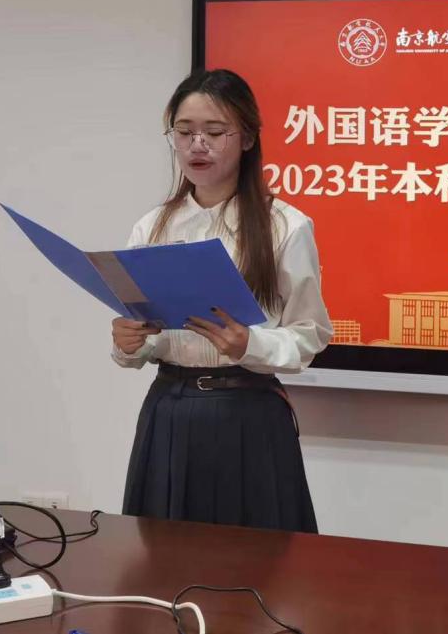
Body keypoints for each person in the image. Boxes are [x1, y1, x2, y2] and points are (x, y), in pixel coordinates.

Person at [110, 69, 332, 533]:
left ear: (247, 138)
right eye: (184, 132)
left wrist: (251, 344)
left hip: (248, 413)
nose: (198, 145)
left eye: (214, 132)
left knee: (254, 560)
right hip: (169, 408)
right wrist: (130, 342)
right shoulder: (152, 227)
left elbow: (309, 335)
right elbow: (147, 338)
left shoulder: (285, 226)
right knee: (163, 555)